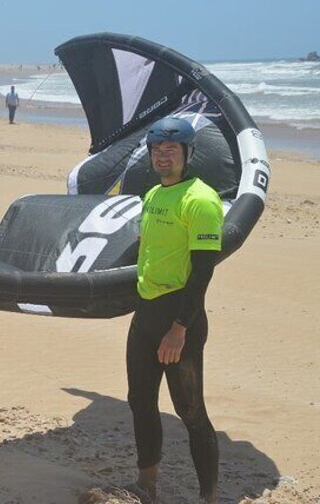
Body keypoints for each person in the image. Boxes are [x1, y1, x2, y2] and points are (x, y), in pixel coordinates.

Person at [126, 117, 223, 503]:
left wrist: (179, 328)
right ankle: (146, 485)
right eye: (157, 151)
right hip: (146, 314)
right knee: (140, 401)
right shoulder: (152, 195)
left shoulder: (200, 200)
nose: (163, 157)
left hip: (179, 318)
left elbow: (202, 272)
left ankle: (208, 497)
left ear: (188, 154)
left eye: (171, 150)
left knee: (190, 411)